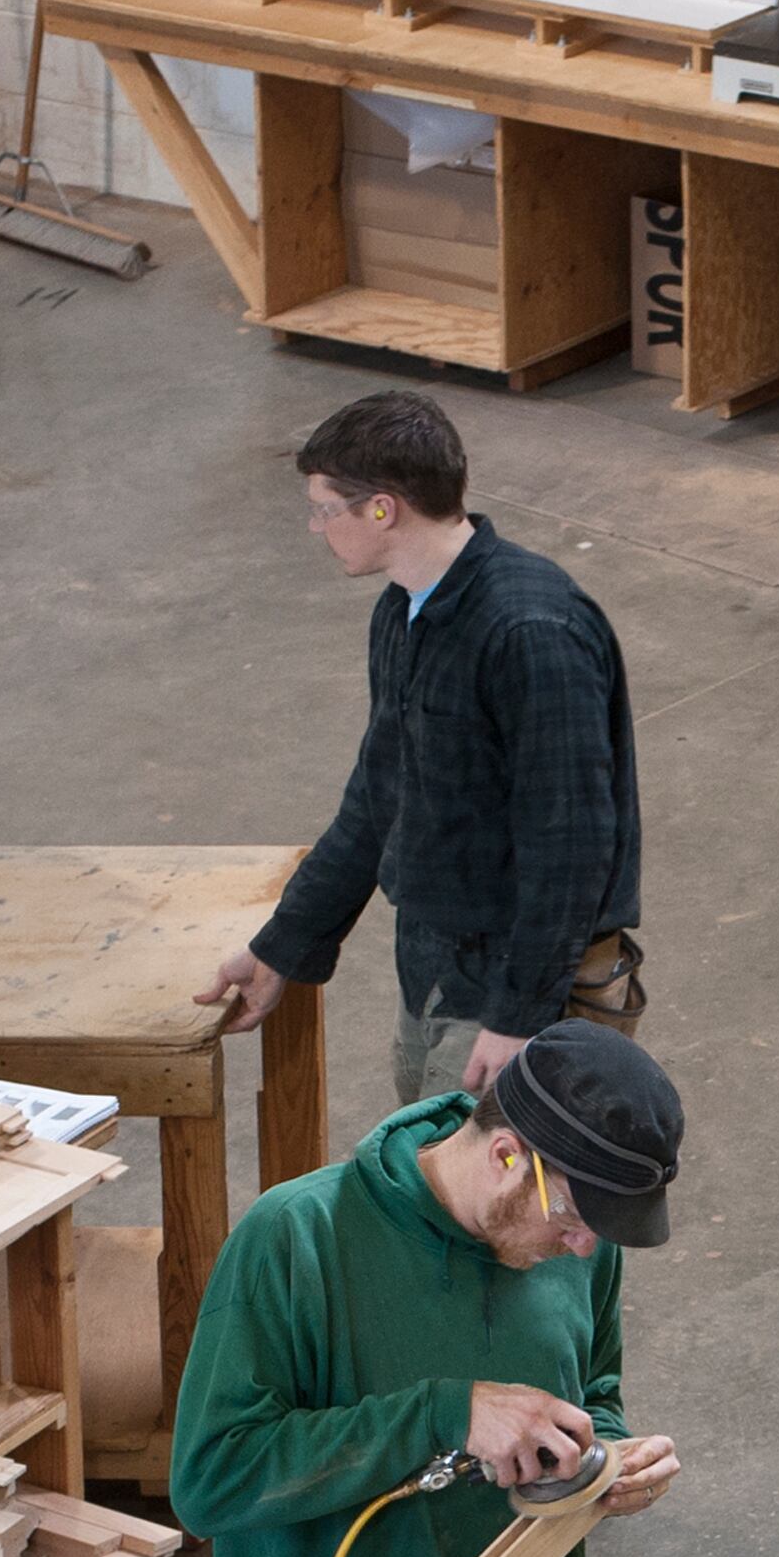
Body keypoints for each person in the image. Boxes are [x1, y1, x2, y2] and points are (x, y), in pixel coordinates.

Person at [165, 1021, 686, 1557]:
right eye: (579, 1216)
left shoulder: (578, 1250)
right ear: (509, 1156)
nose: (584, 1246)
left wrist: (614, 1460)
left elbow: (596, 1391)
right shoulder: (296, 1240)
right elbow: (211, 1477)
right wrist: (445, 1415)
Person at [207, 389, 647, 1114]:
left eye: (325, 509)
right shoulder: (404, 609)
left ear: (382, 509)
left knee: (488, 1210)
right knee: (425, 1182)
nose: (317, 529)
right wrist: (282, 944)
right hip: (435, 965)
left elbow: (571, 844)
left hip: (518, 983)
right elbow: (380, 797)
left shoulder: (531, 632)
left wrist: (520, 1016)